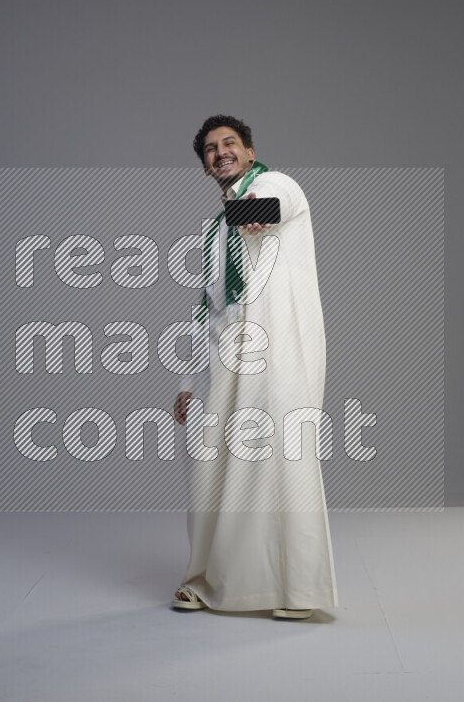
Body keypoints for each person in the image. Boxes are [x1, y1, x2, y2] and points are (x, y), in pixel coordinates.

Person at [171, 115, 339, 619]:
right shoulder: (214, 229)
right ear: (204, 164)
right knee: (209, 467)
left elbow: (268, 208)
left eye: (230, 144)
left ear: (248, 151)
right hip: (225, 358)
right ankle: (202, 580)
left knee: (283, 463)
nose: (220, 152)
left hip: (279, 350)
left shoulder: (274, 182)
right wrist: (188, 380)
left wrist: (251, 209)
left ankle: (299, 592)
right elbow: (209, 305)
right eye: (210, 149)